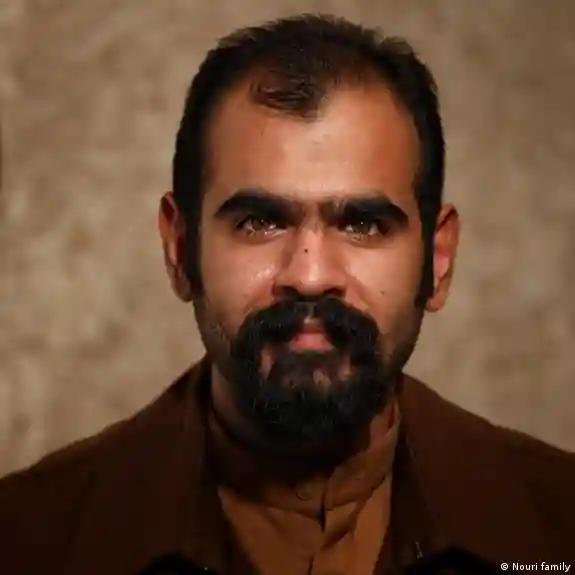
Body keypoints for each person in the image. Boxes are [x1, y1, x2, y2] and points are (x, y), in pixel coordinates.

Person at [0, 13, 573, 575]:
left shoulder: (558, 523)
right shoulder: (25, 539)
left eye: (363, 224)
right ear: (180, 248)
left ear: (437, 260)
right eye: (259, 222)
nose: (310, 274)